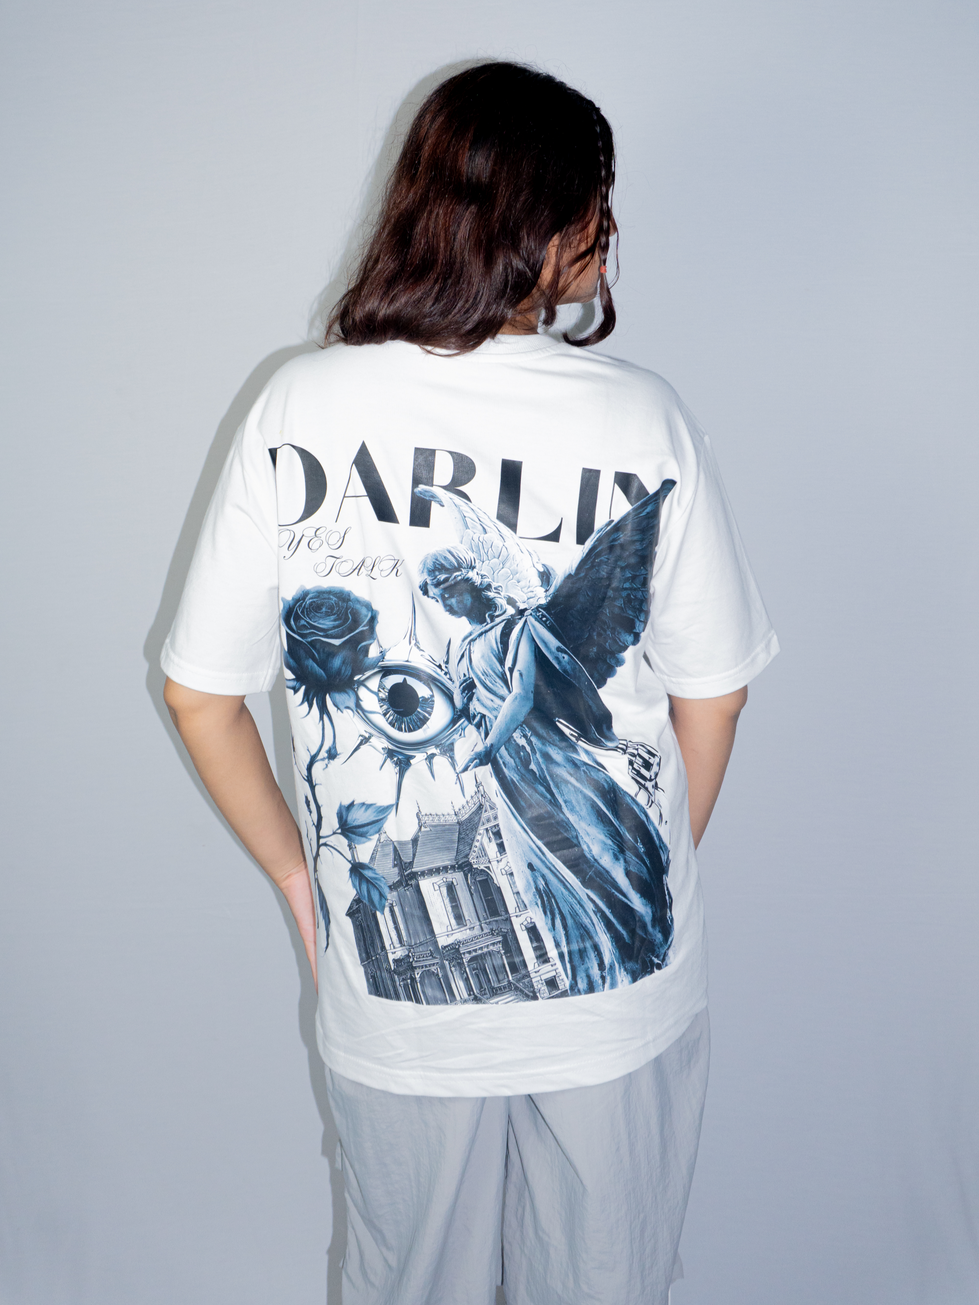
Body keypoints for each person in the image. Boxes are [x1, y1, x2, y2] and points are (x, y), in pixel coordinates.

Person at [162, 61, 778, 1305]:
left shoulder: (297, 403)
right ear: (540, 221)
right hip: (619, 994)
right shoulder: (642, 420)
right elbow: (713, 697)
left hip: (397, 1013)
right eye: (597, 202)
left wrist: (301, 883)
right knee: (606, 1280)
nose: (608, 230)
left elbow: (198, 696)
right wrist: (642, 861)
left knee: (409, 1283)